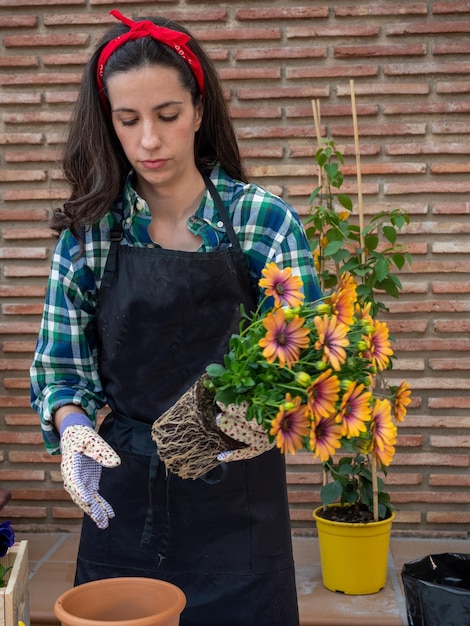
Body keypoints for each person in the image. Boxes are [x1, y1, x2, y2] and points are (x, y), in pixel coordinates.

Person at [30, 9, 322, 626]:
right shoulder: (90, 237)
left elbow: (312, 358)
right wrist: (74, 424)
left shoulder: (263, 224)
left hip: (237, 501)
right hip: (125, 495)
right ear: (107, 123)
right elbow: (60, 366)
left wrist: (266, 417)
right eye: (127, 120)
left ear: (197, 109)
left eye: (166, 116)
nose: (149, 142)